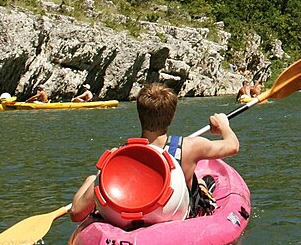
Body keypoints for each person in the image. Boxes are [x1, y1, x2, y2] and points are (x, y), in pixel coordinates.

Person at [70, 82, 239, 226]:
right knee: (200, 181)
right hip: (174, 220)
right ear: (172, 117)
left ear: (139, 115)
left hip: (131, 222)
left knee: (93, 178)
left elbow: (76, 213)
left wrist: (92, 180)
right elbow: (232, 146)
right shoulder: (190, 147)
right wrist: (224, 126)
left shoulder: (117, 157)